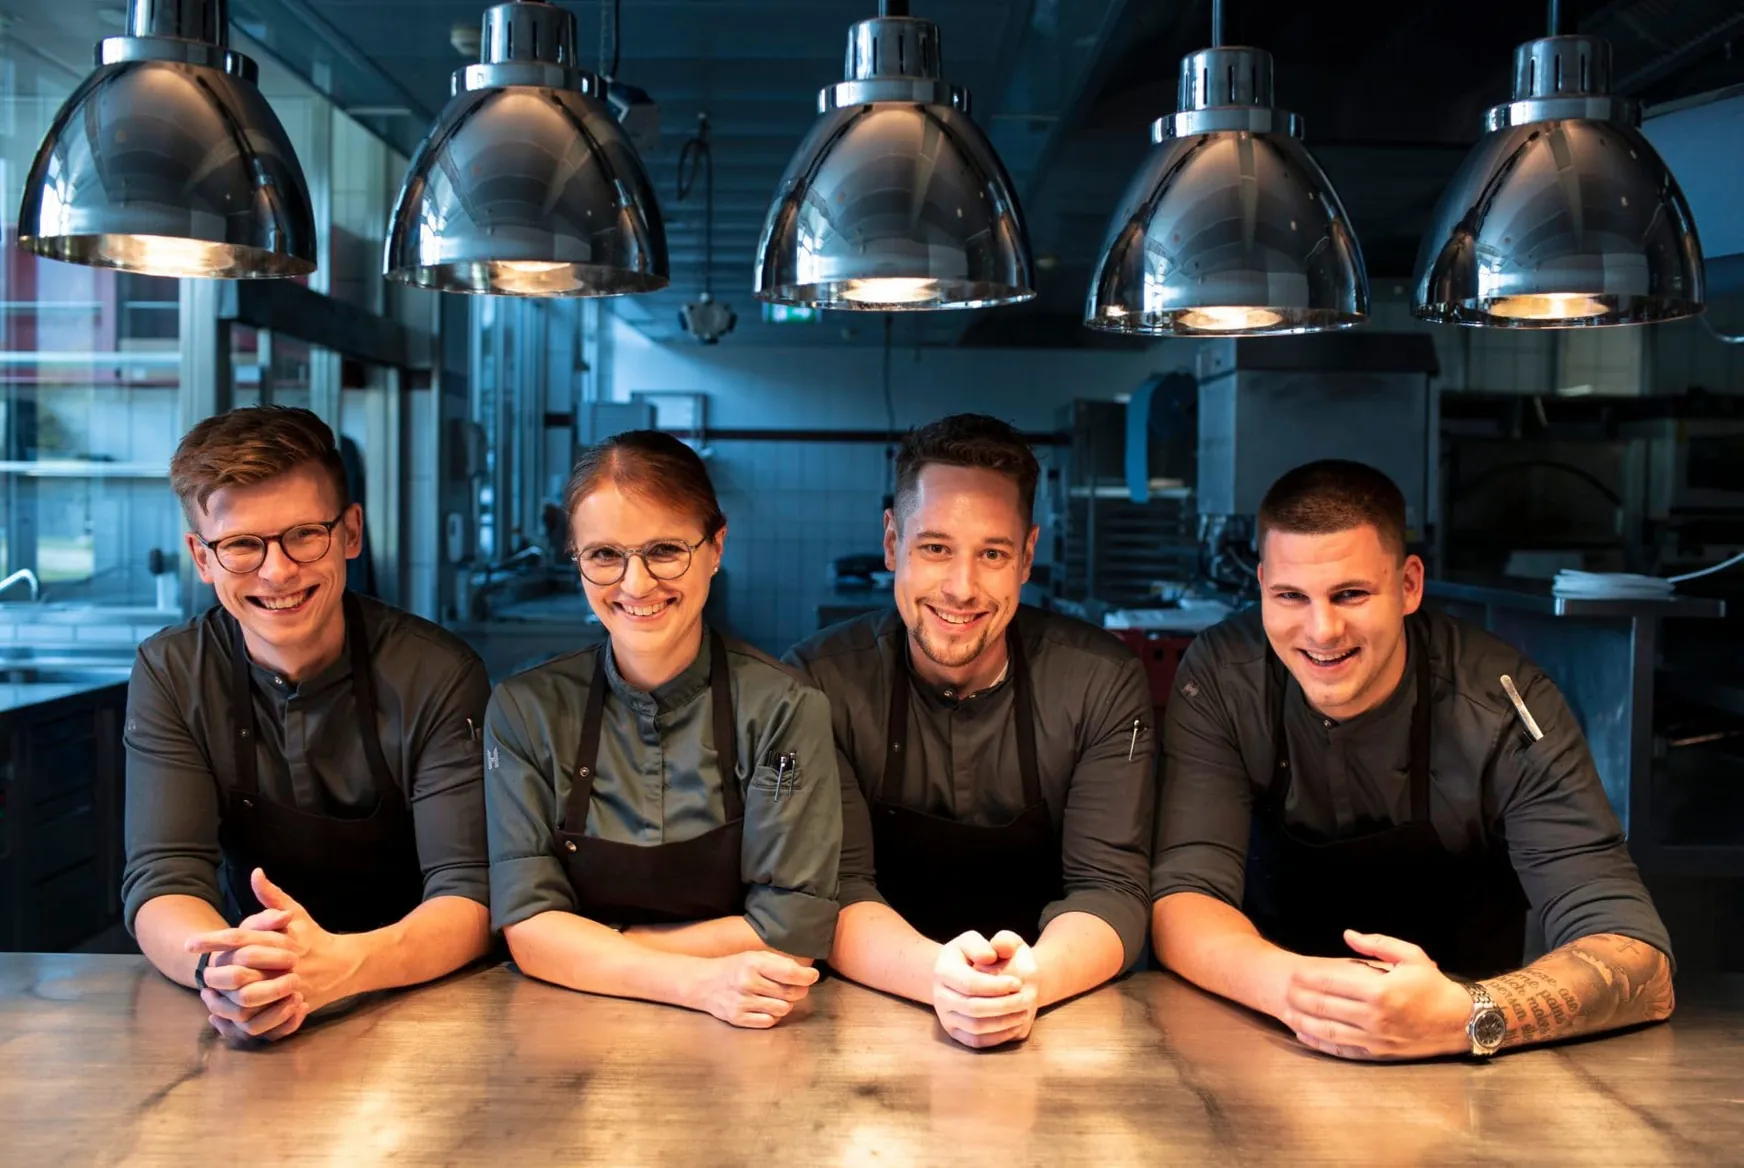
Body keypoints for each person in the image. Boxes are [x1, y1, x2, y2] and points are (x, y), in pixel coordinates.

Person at [1153, 459, 1675, 1060]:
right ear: (1262, 584)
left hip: (1467, 1059)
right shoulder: (1222, 679)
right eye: (1290, 596)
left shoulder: (1504, 704)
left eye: (1350, 594)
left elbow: (1640, 959)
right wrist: (1296, 992)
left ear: (1409, 586)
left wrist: (1468, 1015)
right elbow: (1183, 896)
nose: (1322, 629)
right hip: (1265, 1036)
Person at [124, 406, 492, 1042]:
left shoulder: (436, 672)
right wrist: (223, 966)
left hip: (429, 1005)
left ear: (350, 532)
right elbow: (163, 878)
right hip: (254, 997)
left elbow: (469, 894)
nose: (277, 571)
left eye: (303, 535)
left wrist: (343, 967)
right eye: (242, 544)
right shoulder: (172, 672)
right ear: (202, 557)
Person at [786, 414, 1155, 1050]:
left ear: (1028, 557)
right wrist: (940, 979)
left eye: (992, 554)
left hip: (1061, 1017)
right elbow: (831, 888)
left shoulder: (1101, 681)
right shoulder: (819, 683)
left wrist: (1029, 981)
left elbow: (1112, 887)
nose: (961, 588)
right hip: (868, 1025)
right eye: (935, 548)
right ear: (891, 542)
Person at [485, 430, 840, 1028]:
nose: (636, 584)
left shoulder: (784, 708)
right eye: (604, 555)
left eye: (665, 550)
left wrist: (598, 945)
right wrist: (696, 981)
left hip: (748, 1039)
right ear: (575, 557)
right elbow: (529, 929)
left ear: (716, 547)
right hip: (570, 1037)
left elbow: (790, 934)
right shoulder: (524, 711)